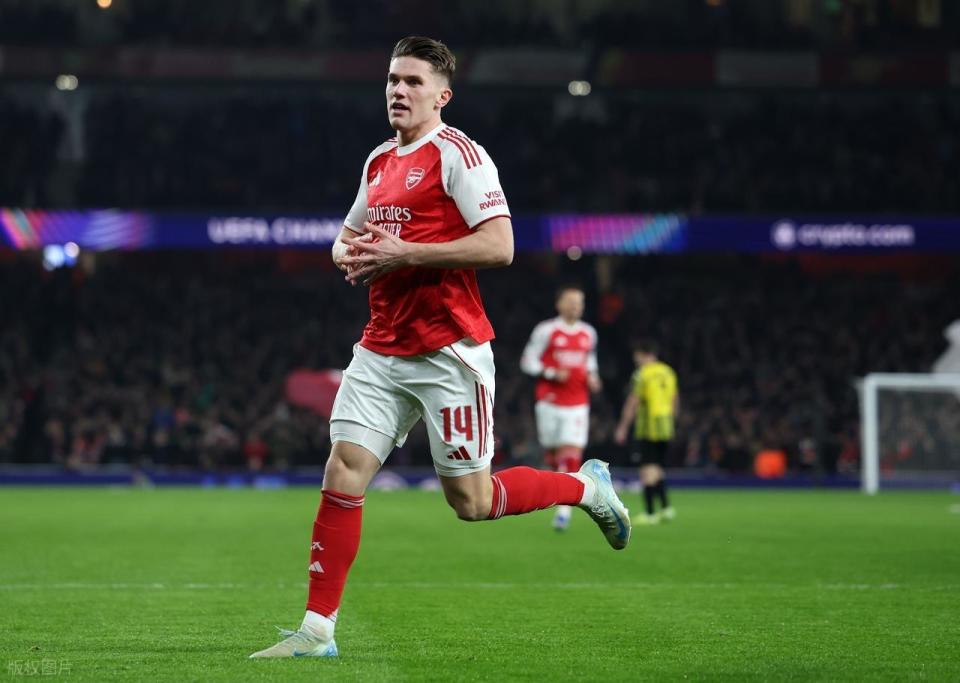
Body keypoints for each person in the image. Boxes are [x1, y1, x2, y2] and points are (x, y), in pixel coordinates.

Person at [250, 36, 630, 660]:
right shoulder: (379, 159)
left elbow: (500, 245)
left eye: (413, 82)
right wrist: (352, 255)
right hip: (381, 348)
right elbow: (344, 237)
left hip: (447, 350)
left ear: (442, 96)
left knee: (472, 503)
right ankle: (316, 632)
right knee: (343, 470)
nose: (398, 91)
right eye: (392, 80)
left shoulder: (461, 156)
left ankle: (586, 489)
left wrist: (406, 253)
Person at [520, 286, 602, 530]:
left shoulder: (589, 332)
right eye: (571, 301)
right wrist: (551, 372)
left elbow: (590, 361)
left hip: (577, 403)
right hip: (549, 400)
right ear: (559, 304)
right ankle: (560, 492)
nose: (576, 306)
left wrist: (593, 377)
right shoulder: (546, 330)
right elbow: (527, 361)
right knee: (553, 454)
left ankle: (564, 509)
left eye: (580, 302)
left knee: (571, 450)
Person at [614, 340, 678, 525]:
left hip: (648, 426)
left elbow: (633, 401)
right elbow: (675, 399)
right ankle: (666, 508)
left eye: (637, 357)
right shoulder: (668, 371)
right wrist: (672, 422)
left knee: (647, 469)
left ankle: (650, 513)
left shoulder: (642, 374)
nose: (636, 361)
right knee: (657, 467)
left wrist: (623, 427)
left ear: (643, 354)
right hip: (665, 425)